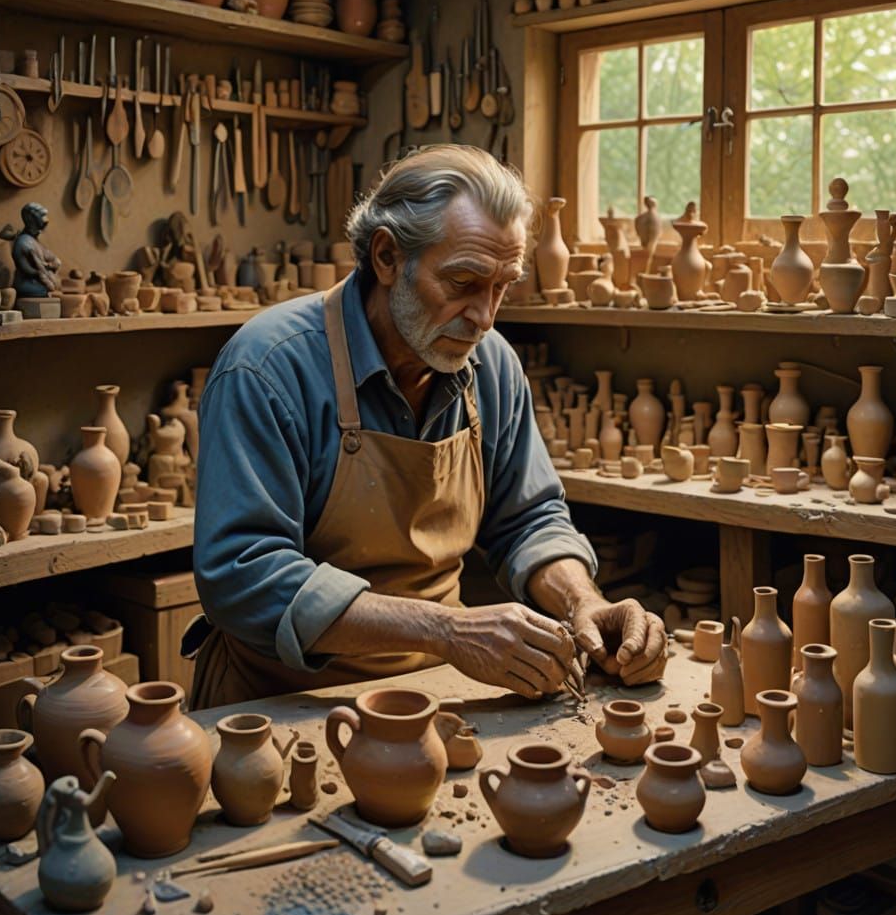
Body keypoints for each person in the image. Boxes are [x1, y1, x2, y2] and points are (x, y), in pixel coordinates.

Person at [186, 145, 667, 709]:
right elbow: (242, 575)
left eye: (502, 286)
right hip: (283, 700)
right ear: (387, 257)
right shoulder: (268, 367)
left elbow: (529, 518)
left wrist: (581, 601)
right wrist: (444, 629)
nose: (484, 317)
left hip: (435, 691)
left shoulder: (492, 365)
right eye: (463, 282)